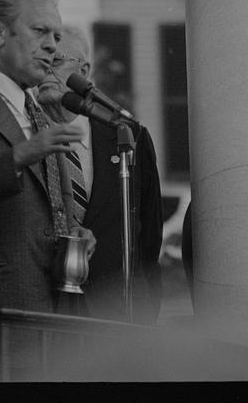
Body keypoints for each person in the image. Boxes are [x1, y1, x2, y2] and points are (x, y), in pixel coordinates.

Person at [0, 0, 96, 378]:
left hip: (53, 323)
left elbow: (46, 211)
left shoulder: (44, 114)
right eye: (40, 32)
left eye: (56, 35)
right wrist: (18, 156)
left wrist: (75, 234)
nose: (53, 46)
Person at [37, 25, 163, 324]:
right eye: (41, 63)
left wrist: (145, 314)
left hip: (115, 312)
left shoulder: (127, 135)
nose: (45, 73)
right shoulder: (23, 137)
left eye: (55, 61)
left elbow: (148, 237)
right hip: (47, 312)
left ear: (84, 71)